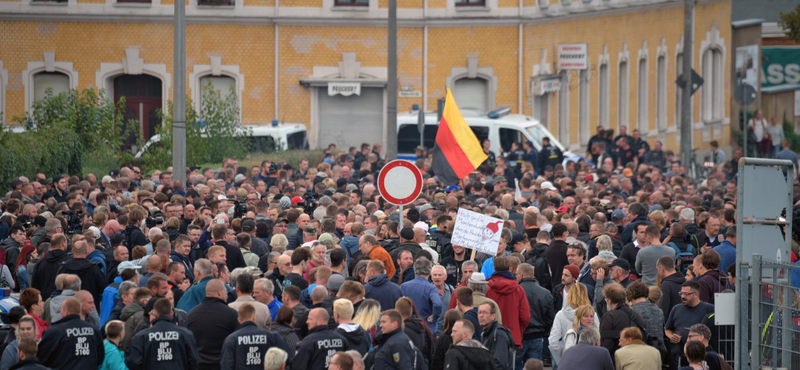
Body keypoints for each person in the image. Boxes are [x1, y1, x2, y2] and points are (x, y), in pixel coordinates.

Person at [126, 298, 199, 370]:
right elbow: (194, 360)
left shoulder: (142, 337)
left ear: (155, 313)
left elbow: (133, 362)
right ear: (171, 313)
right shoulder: (185, 335)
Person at [37, 297, 104, 370]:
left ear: (65, 312)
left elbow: (42, 357)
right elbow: (100, 356)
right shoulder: (94, 330)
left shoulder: (54, 332)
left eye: (61, 310)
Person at [220, 303, 293, 370]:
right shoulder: (272, 336)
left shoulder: (232, 339)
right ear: (254, 317)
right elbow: (287, 358)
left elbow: (226, 365)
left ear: (239, 320)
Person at [187, 279, 238, 370]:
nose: (227, 295)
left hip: (199, 365)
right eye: (225, 291)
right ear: (219, 292)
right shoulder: (231, 314)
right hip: (222, 365)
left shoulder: (192, 314)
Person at [664, 281, 715, 370]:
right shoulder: (676, 309)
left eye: (686, 294)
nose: (682, 296)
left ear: (696, 294)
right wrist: (671, 336)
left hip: (701, 357)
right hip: (680, 356)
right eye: (681, 293)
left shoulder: (709, 309)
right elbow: (667, 329)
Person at [486, 256, 531, 352]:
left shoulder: (487, 288)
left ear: (494, 268)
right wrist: (519, 330)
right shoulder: (518, 289)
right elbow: (525, 316)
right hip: (512, 336)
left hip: (491, 334)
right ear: (510, 269)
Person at [516, 263, 555, 366]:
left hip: (521, 336)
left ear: (520, 275)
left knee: (517, 365)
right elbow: (550, 316)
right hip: (537, 335)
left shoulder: (516, 291)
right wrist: (544, 330)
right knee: (534, 366)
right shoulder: (546, 293)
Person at [598, 283, 646, 362]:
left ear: (609, 301)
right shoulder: (637, 316)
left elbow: (606, 345)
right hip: (637, 359)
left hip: (616, 361)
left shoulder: (609, 317)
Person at [400, 257, 442, 333]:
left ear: (415, 270)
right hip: (426, 328)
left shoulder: (404, 286)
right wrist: (434, 317)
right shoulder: (431, 288)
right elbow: (438, 304)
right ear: (430, 271)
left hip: (408, 327)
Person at [478, 302, 515, 370]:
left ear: (493, 316)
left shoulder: (498, 334)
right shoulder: (485, 333)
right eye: (479, 312)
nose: (481, 315)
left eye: (485, 312)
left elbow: (500, 363)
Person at [656, 255, 685, 321]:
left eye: (657, 269)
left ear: (661, 268)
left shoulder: (666, 285)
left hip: (670, 325)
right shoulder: (685, 281)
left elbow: (663, 310)